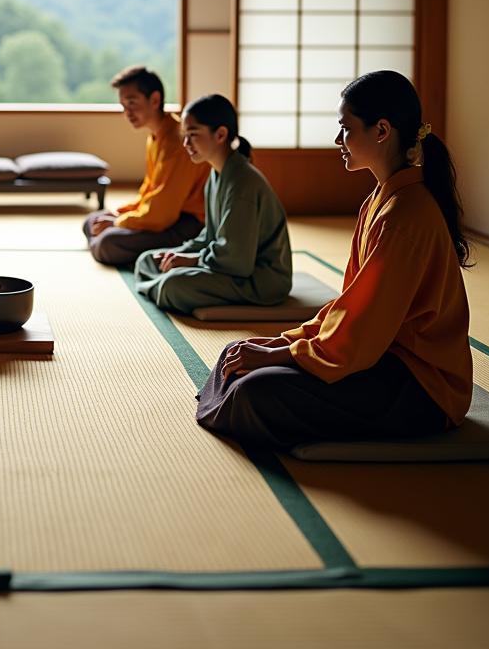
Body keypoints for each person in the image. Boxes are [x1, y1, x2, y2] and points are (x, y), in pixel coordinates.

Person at [196, 70, 473, 451]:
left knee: (254, 390)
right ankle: (233, 397)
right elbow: (349, 309)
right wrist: (287, 342)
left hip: (421, 387)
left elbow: (361, 331)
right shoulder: (382, 200)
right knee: (237, 353)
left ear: (381, 131)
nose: (338, 140)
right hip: (378, 356)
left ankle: (232, 400)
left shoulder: (406, 214)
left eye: (346, 128)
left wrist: (281, 354)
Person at [134, 93, 292, 313]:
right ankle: (159, 287)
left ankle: (160, 288)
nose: (186, 144)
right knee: (147, 260)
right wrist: (179, 253)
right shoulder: (217, 174)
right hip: (229, 266)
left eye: (193, 135)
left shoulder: (242, 182)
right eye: (184, 135)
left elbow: (237, 260)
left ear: (220, 134)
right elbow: (211, 235)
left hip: (259, 279)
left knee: (174, 285)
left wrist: (191, 261)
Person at [83, 65, 207, 266]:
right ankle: (107, 246)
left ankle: (108, 248)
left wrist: (116, 222)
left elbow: (163, 214)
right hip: (163, 216)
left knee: (107, 242)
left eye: (132, 103)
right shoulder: (156, 137)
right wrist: (118, 214)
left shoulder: (178, 142)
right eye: (123, 106)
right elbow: (149, 193)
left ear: (155, 100)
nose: (127, 113)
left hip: (187, 223)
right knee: (91, 221)